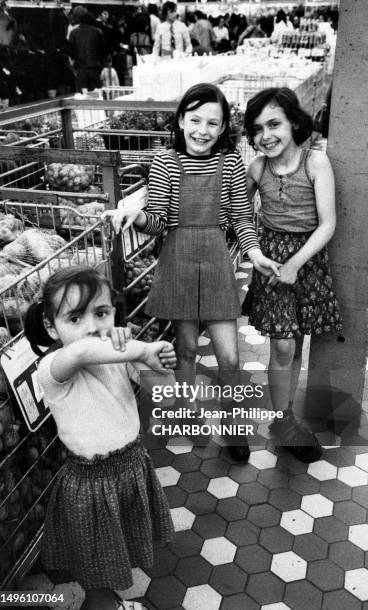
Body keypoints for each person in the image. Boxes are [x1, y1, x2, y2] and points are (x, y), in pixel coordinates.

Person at [107, 83, 268, 462]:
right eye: (194, 119)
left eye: (213, 122)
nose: (202, 130)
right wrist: (139, 216)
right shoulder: (165, 161)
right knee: (188, 348)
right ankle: (185, 411)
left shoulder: (230, 162)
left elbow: (242, 217)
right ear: (181, 120)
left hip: (215, 261)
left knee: (229, 356)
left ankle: (232, 425)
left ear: (224, 126)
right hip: (177, 259)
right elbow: (160, 222)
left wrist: (254, 250)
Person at [24, 266, 176, 610]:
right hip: (92, 486)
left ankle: (110, 602)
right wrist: (141, 348)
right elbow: (80, 353)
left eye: (102, 313)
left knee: (115, 556)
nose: (92, 327)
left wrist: (158, 363)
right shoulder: (53, 368)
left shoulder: (119, 356)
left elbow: (165, 395)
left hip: (131, 469)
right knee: (97, 575)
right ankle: (102, 606)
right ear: (51, 327)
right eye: (74, 318)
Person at [242, 88, 342, 463]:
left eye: (273, 124)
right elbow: (234, 208)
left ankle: (285, 417)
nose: (265, 135)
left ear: (294, 124)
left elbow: (327, 222)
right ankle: (282, 420)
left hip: (307, 261)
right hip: (271, 264)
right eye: (256, 129)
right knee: (282, 345)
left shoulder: (316, 163)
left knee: (296, 341)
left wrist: (296, 264)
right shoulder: (257, 168)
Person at [68, 10, 108, 92]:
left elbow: (70, 50)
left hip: (80, 68)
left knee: (82, 93)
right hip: (95, 68)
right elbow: (104, 50)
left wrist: (75, 62)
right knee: (95, 93)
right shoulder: (98, 32)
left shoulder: (74, 32)